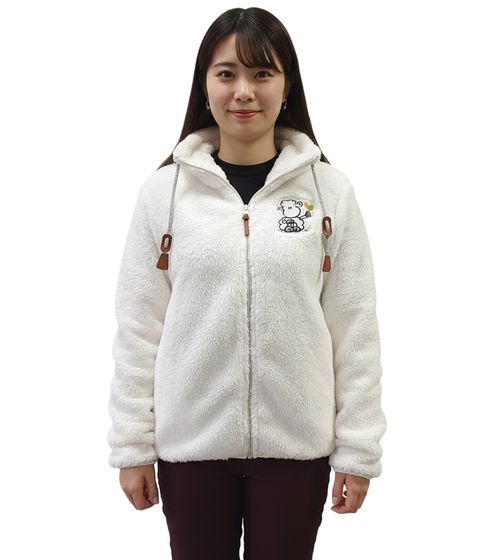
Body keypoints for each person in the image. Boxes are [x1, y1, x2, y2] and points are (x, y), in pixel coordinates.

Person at [107, 6, 387, 560]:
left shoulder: (328, 192)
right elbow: (138, 328)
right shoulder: (163, 194)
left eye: (262, 73)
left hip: (296, 450)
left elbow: (354, 326)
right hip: (191, 449)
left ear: (287, 86)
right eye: (226, 73)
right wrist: (132, 445)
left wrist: (358, 449)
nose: (244, 91)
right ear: (204, 85)